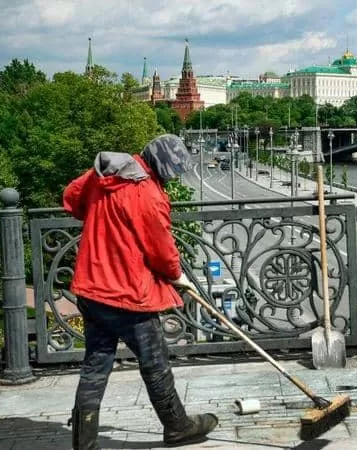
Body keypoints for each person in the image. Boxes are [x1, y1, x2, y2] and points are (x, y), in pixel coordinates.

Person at [62, 134, 217, 449]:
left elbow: (71, 197)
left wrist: (102, 218)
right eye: (170, 173)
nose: (170, 179)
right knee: (155, 362)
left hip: (92, 288)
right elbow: (161, 248)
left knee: (95, 365)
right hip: (126, 293)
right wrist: (177, 275)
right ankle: (178, 427)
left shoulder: (104, 174)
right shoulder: (146, 193)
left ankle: (84, 443)